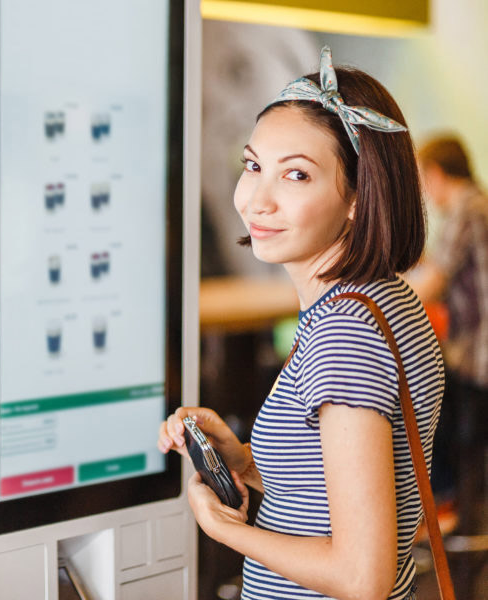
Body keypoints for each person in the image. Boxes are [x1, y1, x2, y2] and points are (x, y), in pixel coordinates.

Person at [158, 47, 443, 600]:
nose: (256, 199)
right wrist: (245, 462)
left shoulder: (344, 334)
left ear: (360, 197)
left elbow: (364, 576)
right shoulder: (385, 298)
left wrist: (227, 531)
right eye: (253, 165)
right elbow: (347, 491)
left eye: (296, 175)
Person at [410, 135, 488, 535]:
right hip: (473, 353)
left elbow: (430, 285)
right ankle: (451, 504)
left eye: (424, 179)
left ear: (437, 173)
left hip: (478, 357)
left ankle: (447, 507)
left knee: (420, 397)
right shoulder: (477, 205)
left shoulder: (466, 209)